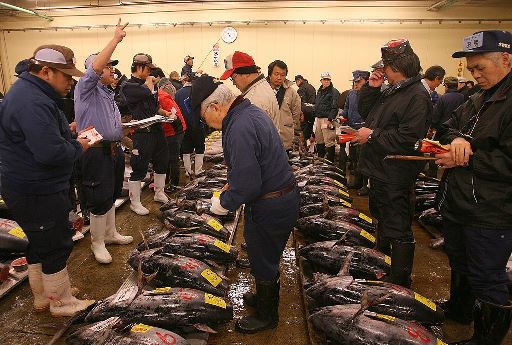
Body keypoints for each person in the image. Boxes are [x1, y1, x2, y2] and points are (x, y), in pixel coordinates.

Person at [190, 75, 300, 334]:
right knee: (266, 255)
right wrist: (235, 183)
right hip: (280, 197)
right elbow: (255, 164)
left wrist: (222, 204)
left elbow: (248, 185)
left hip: (270, 205)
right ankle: (263, 297)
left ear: (214, 107)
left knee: (263, 259)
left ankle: (267, 315)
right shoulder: (249, 111)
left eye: (205, 118)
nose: (209, 126)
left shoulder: (238, 126)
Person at [0, 44, 94, 316]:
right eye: (66, 76)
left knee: (39, 243)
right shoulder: (34, 101)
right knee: (55, 242)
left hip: (28, 185)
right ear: (45, 71)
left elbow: (37, 138)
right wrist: (80, 146)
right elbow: (50, 153)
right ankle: (61, 302)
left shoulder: (27, 93)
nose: (70, 82)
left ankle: (43, 296)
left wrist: (64, 132)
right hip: (37, 187)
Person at [434, 30, 512, 344]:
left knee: (486, 276)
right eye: (471, 68)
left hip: (491, 212)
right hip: (460, 203)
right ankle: (459, 310)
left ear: (506, 59)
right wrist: (455, 139)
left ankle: (485, 340)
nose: (474, 74)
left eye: (480, 67)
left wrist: (469, 159)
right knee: (460, 262)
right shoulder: (478, 98)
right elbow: (448, 125)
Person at [354, 38, 432, 288]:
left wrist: (373, 136)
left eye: (385, 68)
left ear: (397, 67)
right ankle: (384, 265)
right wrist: (372, 88)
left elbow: (409, 138)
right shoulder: (393, 91)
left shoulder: (417, 95)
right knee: (383, 219)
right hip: (381, 169)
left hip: (396, 173)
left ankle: (399, 280)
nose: (382, 72)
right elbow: (369, 113)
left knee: (398, 227)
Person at [74, 20, 133, 264]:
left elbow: (110, 126)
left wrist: (125, 135)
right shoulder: (86, 88)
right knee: (98, 197)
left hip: (111, 149)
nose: (112, 71)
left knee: (110, 193)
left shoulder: (108, 93)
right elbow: (96, 69)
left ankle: (109, 233)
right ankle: (96, 242)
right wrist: (116, 39)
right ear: (95, 70)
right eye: (107, 67)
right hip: (94, 150)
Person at [120, 53, 175, 215]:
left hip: (157, 129)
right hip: (142, 133)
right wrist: (150, 82)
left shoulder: (151, 85)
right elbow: (145, 92)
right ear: (139, 67)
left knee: (162, 161)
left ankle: (159, 192)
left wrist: (167, 113)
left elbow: (155, 106)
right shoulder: (128, 85)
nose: (150, 73)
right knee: (139, 167)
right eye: (148, 69)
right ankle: (135, 202)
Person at [220, 51, 280, 131]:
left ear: (246, 73)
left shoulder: (255, 99)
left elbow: (251, 136)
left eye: (233, 78)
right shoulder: (260, 88)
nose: (234, 83)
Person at [342, 70, 370, 195]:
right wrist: (343, 116)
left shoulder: (370, 94)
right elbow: (346, 108)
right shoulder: (351, 94)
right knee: (354, 157)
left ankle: (365, 185)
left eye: (359, 81)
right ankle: (357, 182)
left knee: (363, 159)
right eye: (354, 82)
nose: (356, 84)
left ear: (366, 81)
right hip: (352, 129)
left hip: (363, 130)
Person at [157, 78, 186, 192]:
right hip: (173, 130)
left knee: (173, 158)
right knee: (168, 157)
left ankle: (174, 184)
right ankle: (166, 181)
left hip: (174, 130)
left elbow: (173, 114)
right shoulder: (161, 95)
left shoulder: (161, 97)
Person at [267, 60, 302, 152]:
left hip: (284, 139)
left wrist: (289, 127)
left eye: (283, 75)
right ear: (270, 74)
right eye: (276, 74)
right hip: (265, 138)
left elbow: (296, 113)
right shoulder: (262, 91)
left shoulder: (291, 92)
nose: (279, 77)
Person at [175, 72, 205, 178]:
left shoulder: (178, 93)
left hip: (184, 125)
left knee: (186, 148)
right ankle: (198, 170)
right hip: (198, 124)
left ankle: (187, 171)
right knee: (200, 147)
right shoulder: (199, 92)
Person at [314, 72, 340, 162]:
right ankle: (321, 161)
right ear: (321, 81)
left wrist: (330, 119)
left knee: (329, 142)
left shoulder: (334, 92)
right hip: (318, 118)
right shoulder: (319, 91)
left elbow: (335, 107)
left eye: (328, 79)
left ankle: (330, 164)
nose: (326, 81)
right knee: (319, 140)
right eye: (324, 79)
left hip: (327, 119)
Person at [295, 74, 316, 145]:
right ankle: (311, 148)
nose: (296, 84)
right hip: (313, 112)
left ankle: (305, 147)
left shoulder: (301, 89)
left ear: (299, 80)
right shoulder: (311, 87)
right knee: (311, 131)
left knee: (304, 131)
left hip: (306, 113)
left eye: (296, 82)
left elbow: (301, 103)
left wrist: (302, 114)